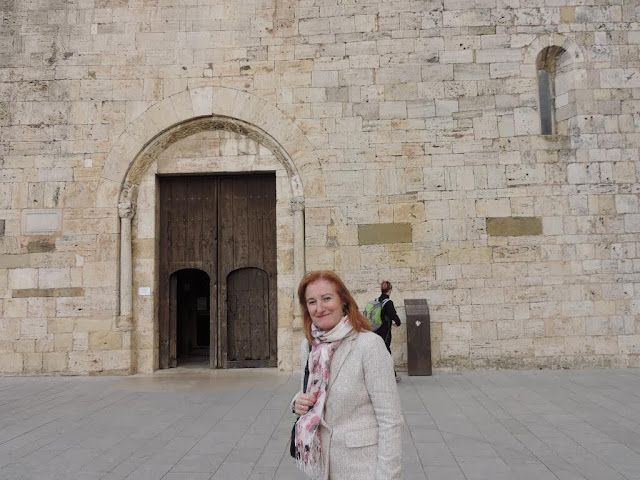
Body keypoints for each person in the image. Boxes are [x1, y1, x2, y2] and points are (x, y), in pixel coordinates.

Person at [291, 270, 403, 480]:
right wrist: (297, 402)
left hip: (362, 468)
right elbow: (309, 394)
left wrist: (387, 476)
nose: (319, 308)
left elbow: (391, 420)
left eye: (327, 298)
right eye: (312, 302)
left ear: (343, 300)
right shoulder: (309, 346)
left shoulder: (369, 345)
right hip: (322, 466)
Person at [374, 281, 402, 382]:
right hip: (385, 331)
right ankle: (391, 375)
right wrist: (398, 323)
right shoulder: (388, 302)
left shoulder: (376, 300)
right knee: (386, 351)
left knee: (379, 351)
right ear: (389, 291)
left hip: (375, 330)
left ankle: (379, 374)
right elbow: (393, 315)